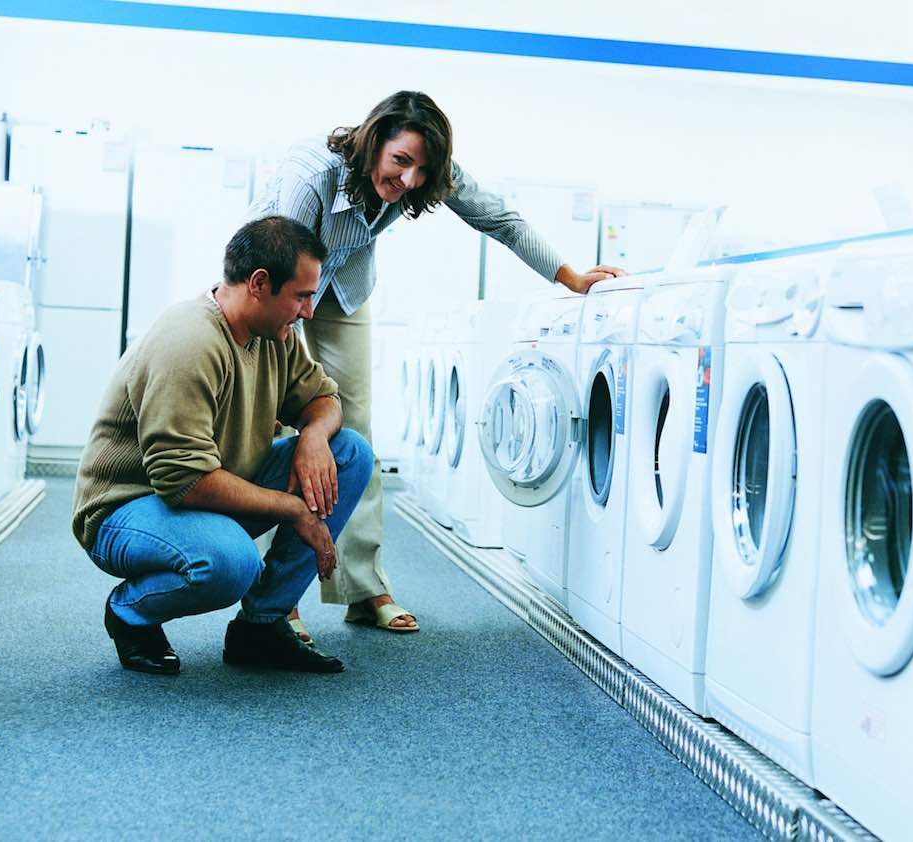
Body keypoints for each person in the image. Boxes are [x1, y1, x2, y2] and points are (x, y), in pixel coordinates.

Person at [252, 90, 625, 642]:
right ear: (375, 140)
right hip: (278, 285)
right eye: (401, 161)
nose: (409, 180)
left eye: (422, 171)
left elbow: (500, 219)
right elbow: (274, 256)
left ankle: (364, 587)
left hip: (344, 289)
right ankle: (278, 599)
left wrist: (568, 277)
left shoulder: (426, 173)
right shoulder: (311, 175)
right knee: (281, 431)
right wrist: (284, 340)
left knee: (355, 433)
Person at [71, 215, 371, 675]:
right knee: (231, 562)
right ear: (259, 283)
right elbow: (184, 482)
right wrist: (291, 509)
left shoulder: (275, 335)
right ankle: (130, 614)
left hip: (213, 485)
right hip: (128, 509)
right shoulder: (190, 341)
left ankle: (261, 626)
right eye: (302, 296)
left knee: (348, 452)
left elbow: (324, 398)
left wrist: (311, 435)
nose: (308, 311)